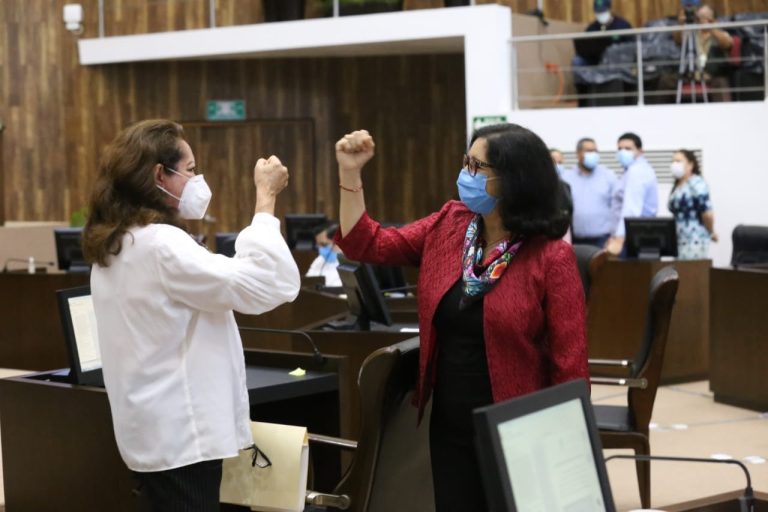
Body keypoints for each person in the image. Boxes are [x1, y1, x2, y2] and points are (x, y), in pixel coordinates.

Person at [334, 124, 588, 511]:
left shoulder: (550, 256)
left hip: (520, 426)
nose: (465, 173)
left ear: (512, 179)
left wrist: (567, 442)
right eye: (466, 161)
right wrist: (350, 173)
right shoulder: (450, 224)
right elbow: (367, 243)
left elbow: (570, 363)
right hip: (450, 420)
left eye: (476, 166)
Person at [81, 119, 300, 510]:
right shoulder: (161, 244)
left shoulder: (117, 243)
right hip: (182, 436)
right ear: (159, 175)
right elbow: (266, 284)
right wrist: (265, 201)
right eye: (191, 169)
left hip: (155, 431)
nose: (198, 181)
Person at [607, 132, 658, 255]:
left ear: (640, 151)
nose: (623, 152)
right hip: (630, 234)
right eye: (620, 149)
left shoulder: (637, 171)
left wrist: (619, 239)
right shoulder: (631, 171)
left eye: (628, 148)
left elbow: (631, 209)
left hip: (632, 236)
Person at [562, 137, 618, 248]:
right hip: (574, 240)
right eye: (589, 151)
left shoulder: (609, 176)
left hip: (603, 240)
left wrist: (616, 236)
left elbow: (617, 208)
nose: (593, 154)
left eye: (595, 151)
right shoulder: (566, 178)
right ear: (578, 153)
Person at [674, 2, 734, 102]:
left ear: (714, 20)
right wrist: (681, 25)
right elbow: (677, 40)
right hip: (691, 74)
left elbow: (727, 44)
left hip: (712, 76)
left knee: (721, 82)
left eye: (706, 18)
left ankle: (724, 111)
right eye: (700, 18)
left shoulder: (721, 34)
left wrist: (711, 27)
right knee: (666, 81)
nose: (702, 21)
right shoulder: (691, 33)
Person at [668, 149, 717, 259]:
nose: (674, 164)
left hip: (694, 239)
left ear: (690, 165)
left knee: (691, 269)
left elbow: (707, 213)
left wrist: (711, 231)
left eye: (678, 161)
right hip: (678, 239)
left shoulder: (697, 183)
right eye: (673, 161)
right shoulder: (678, 185)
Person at [574, 0, 632, 66]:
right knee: (577, 61)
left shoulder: (622, 25)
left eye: (603, 11)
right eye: (598, 12)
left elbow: (631, 45)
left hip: (618, 60)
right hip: (597, 61)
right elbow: (585, 49)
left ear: (610, 9)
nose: (601, 14)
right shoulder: (591, 28)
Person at [305, 222, 343, 286]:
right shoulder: (319, 260)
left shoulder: (347, 264)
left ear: (337, 242)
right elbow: (307, 282)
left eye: (323, 244)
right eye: (318, 245)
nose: (320, 249)